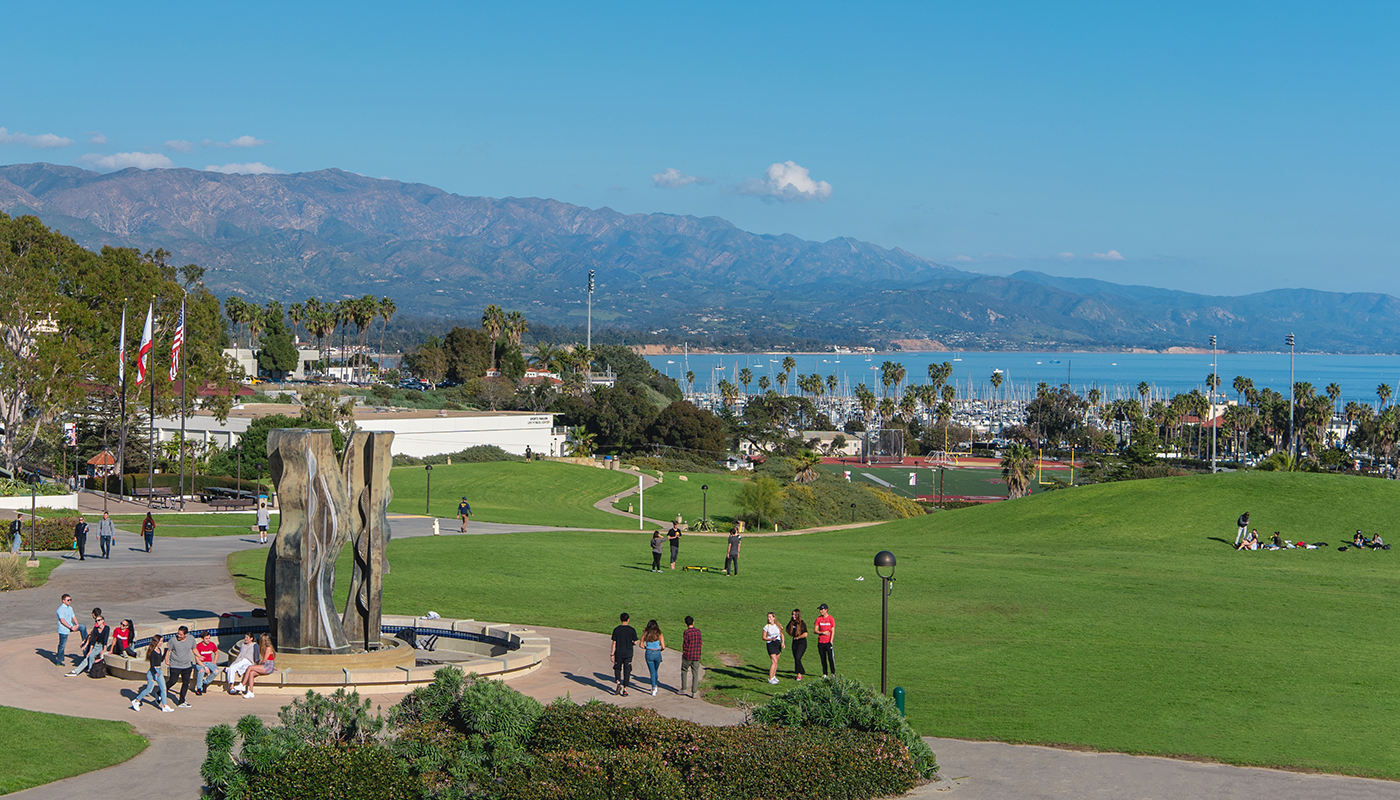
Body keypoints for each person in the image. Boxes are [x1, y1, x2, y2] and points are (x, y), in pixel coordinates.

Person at [131, 633, 174, 712]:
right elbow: (152, 664)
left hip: (159, 671)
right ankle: (136, 701)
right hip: (153, 672)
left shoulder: (159, 650)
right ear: (156, 642)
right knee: (148, 690)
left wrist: (165, 651)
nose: (162, 642)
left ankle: (164, 705)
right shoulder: (152, 652)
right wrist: (155, 673)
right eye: (160, 641)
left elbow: (161, 660)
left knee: (163, 689)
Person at [167, 626, 197, 707]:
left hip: (187, 666)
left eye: (180, 634)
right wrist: (166, 660)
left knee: (186, 683)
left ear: (185, 634)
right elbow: (168, 650)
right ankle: (160, 692)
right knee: (173, 681)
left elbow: (194, 649)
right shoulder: (173, 640)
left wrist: (199, 656)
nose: (178, 635)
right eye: (178, 633)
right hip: (175, 665)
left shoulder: (191, 639)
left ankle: (181, 701)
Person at [240, 634, 276, 698]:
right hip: (266, 665)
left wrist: (258, 665)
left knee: (250, 667)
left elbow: (264, 661)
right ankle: (250, 691)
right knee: (251, 673)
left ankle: (242, 685)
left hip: (268, 667)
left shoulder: (268, 648)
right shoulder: (264, 648)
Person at [610, 612, 637, 697]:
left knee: (617, 668)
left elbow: (614, 642)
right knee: (627, 671)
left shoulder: (616, 630)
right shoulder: (632, 630)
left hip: (619, 652)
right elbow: (635, 642)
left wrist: (612, 654)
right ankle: (625, 689)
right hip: (628, 653)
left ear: (620, 619)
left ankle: (618, 683)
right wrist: (631, 644)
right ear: (628, 620)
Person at [55, 594, 86, 666]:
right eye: (68, 600)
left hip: (71, 626)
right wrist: (71, 627)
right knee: (62, 645)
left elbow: (73, 617)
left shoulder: (70, 608)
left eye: (70, 600)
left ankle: (85, 642)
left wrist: (77, 624)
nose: (69, 601)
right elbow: (62, 620)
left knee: (82, 627)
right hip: (64, 629)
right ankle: (59, 660)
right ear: (63, 601)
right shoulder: (60, 609)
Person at [680, 615, 702, 697]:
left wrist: (684, 651)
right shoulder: (698, 631)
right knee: (695, 673)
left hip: (688, 655)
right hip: (696, 655)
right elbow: (700, 643)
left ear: (686, 624)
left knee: (684, 671)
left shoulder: (687, 632)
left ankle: (684, 688)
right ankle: (694, 692)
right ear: (693, 622)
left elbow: (685, 644)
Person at [642, 619, 665, 696]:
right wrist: (659, 650)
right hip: (657, 652)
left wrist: (646, 648)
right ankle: (655, 684)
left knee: (652, 672)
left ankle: (653, 688)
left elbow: (641, 645)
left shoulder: (646, 633)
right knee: (655, 670)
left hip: (649, 652)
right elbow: (663, 647)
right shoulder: (659, 634)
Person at [786, 609, 808, 682]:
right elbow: (787, 630)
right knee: (796, 658)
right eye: (792, 614)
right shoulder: (791, 623)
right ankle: (799, 673)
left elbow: (805, 634)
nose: (793, 616)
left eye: (795, 615)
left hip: (801, 642)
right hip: (794, 642)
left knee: (798, 657)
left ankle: (800, 672)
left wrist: (798, 637)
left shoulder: (802, 623)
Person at [815, 603, 836, 677]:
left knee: (830, 658)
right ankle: (825, 673)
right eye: (820, 610)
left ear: (826, 610)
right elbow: (815, 630)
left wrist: (831, 641)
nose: (821, 611)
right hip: (821, 641)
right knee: (823, 658)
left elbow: (833, 631)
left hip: (828, 642)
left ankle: (833, 673)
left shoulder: (831, 619)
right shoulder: (819, 619)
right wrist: (822, 632)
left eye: (822, 610)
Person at [763, 612, 784, 685]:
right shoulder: (767, 627)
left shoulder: (778, 625)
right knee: (774, 661)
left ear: (774, 617)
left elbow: (781, 634)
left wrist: (783, 642)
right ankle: (770, 678)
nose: (769, 619)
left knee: (776, 661)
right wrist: (770, 639)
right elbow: (764, 637)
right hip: (770, 644)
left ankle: (773, 676)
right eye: (768, 617)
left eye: (770, 617)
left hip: (777, 643)